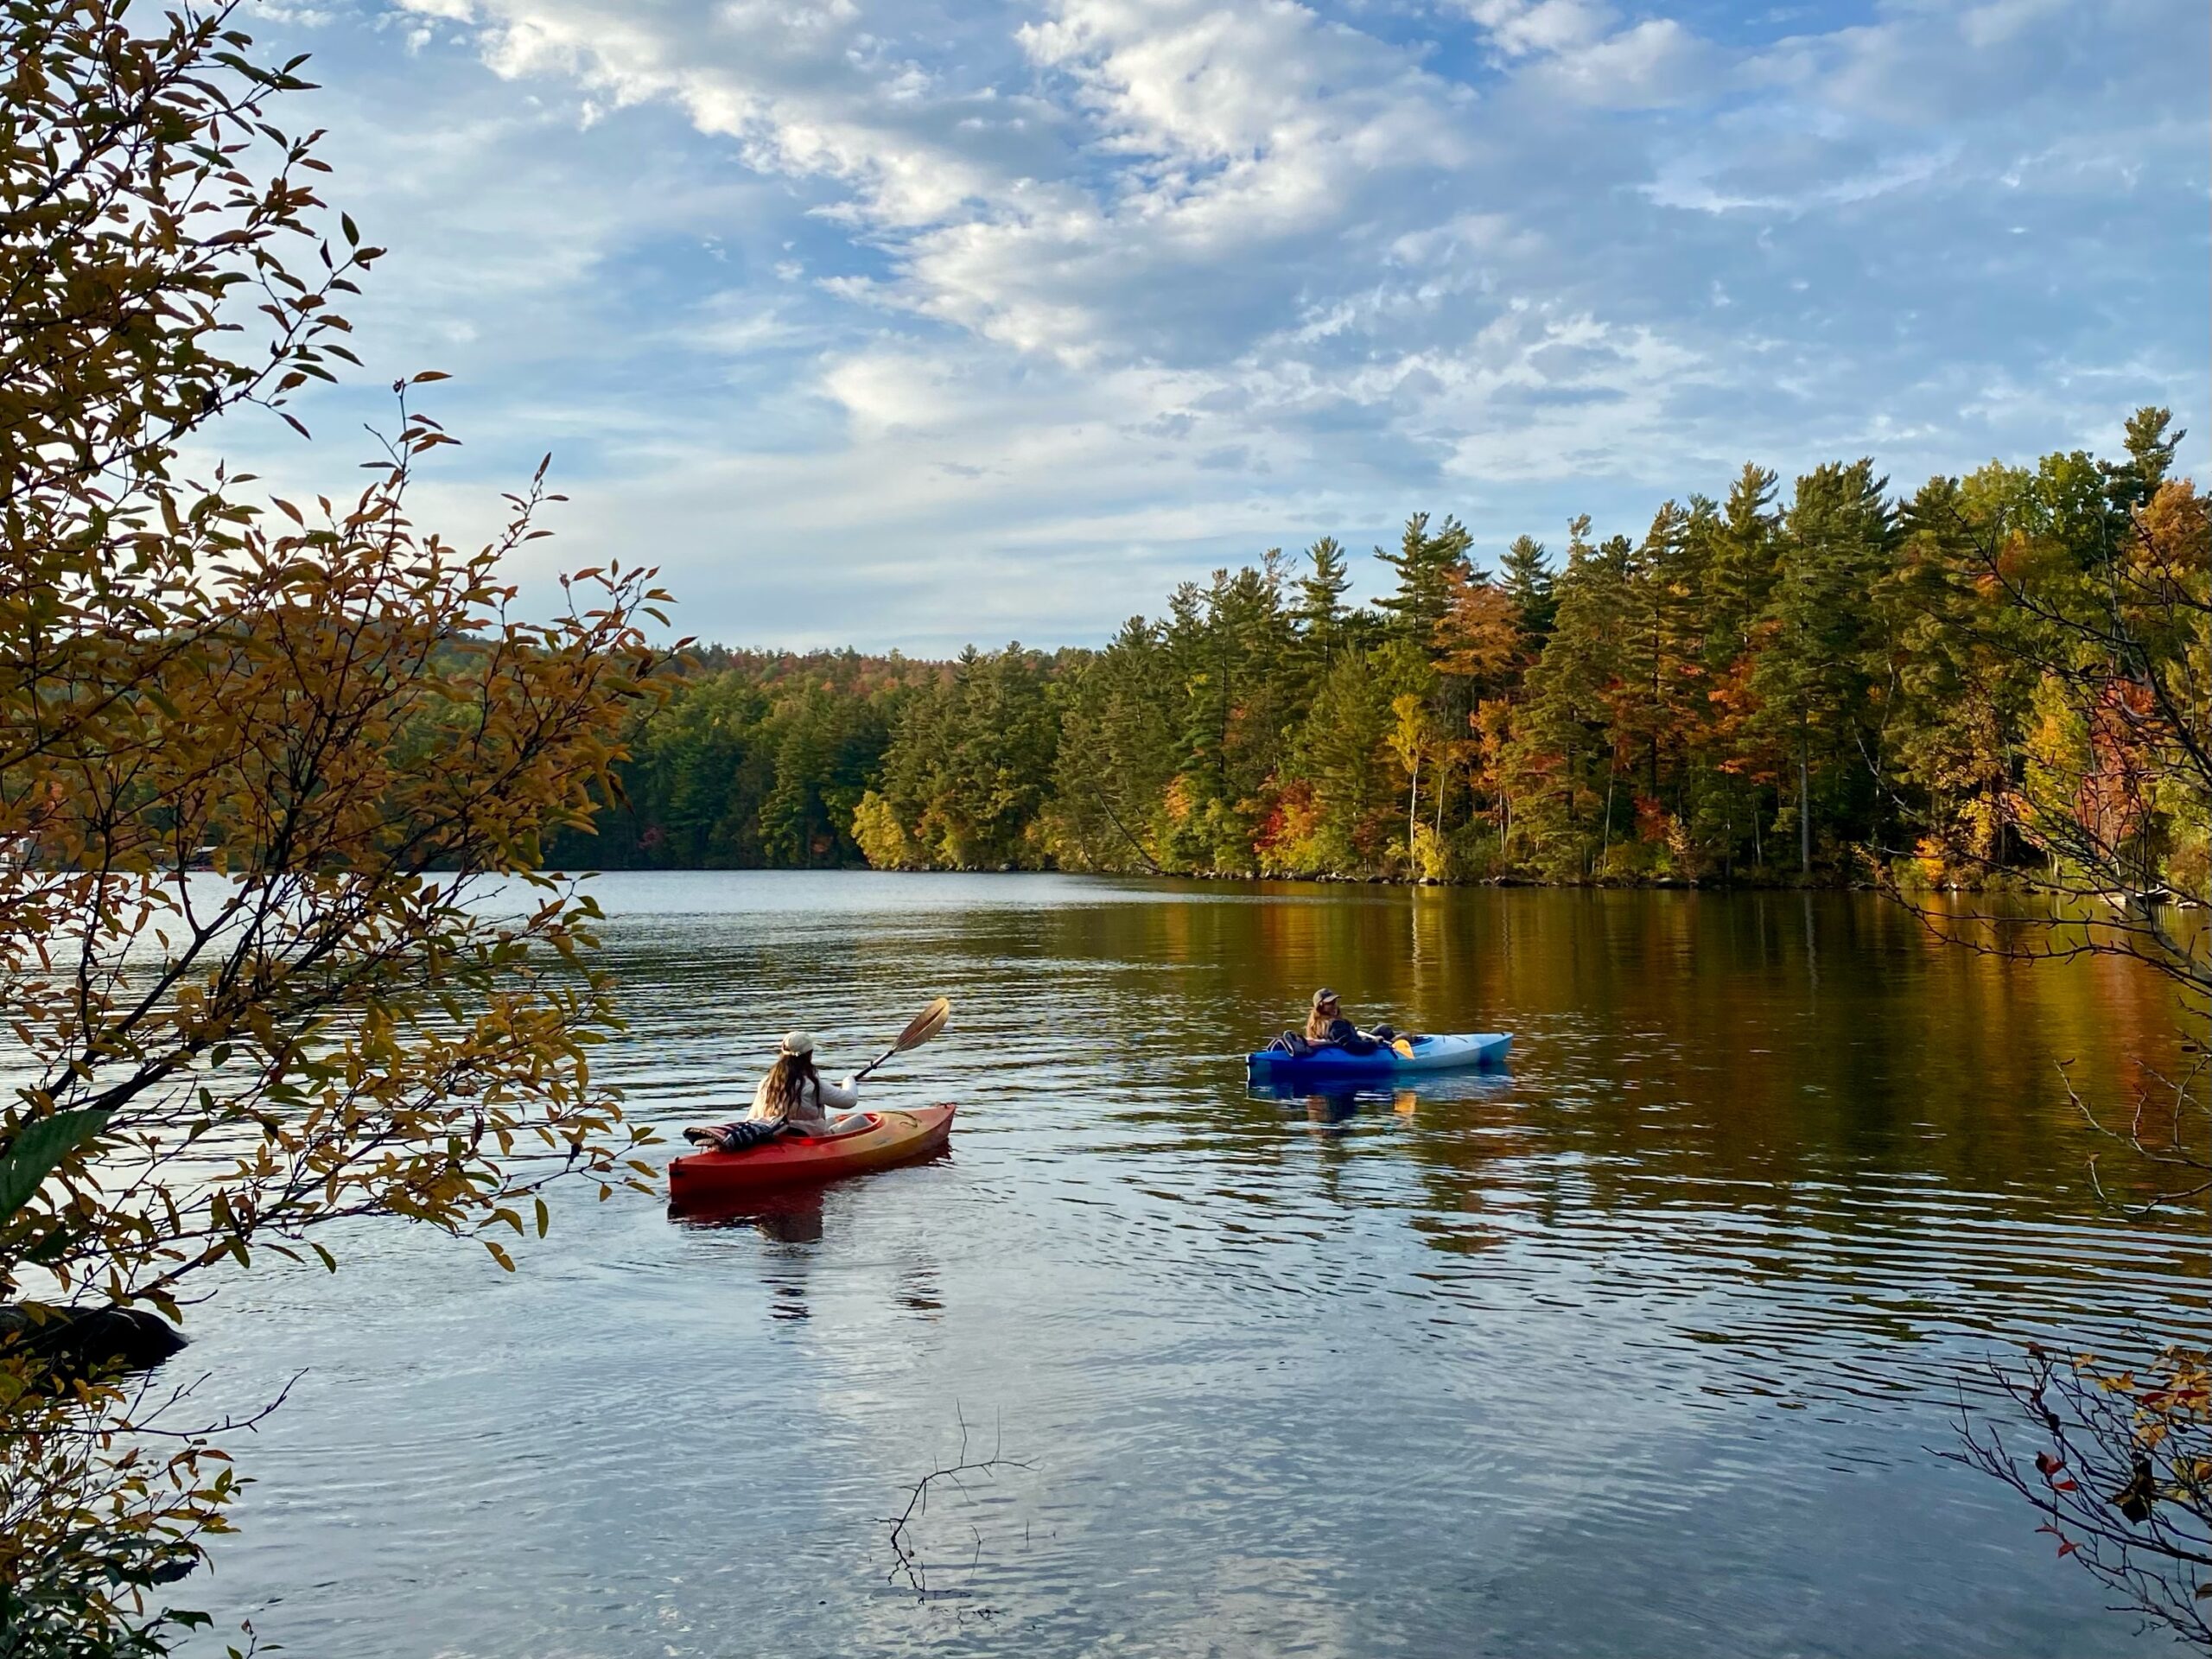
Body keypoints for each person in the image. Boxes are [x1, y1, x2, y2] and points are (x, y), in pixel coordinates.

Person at [683, 1031, 865, 1150]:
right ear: (809, 1055)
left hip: (777, 1135)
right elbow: (849, 1100)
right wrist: (849, 1080)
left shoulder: (767, 1082)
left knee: (833, 1120)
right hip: (805, 1140)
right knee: (861, 1119)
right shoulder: (810, 1083)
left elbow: (752, 1117)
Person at [1303, 988, 1399, 1056]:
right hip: (1355, 1047)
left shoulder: (1315, 1023)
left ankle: (1402, 1042)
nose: (1334, 1006)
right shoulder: (1336, 1025)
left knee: (1384, 1029)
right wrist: (1374, 1043)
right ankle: (1399, 1048)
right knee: (1387, 1031)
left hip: (1347, 1044)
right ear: (1320, 1007)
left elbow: (1340, 1040)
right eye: (1330, 1003)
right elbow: (1350, 1045)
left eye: (1335, 1002)